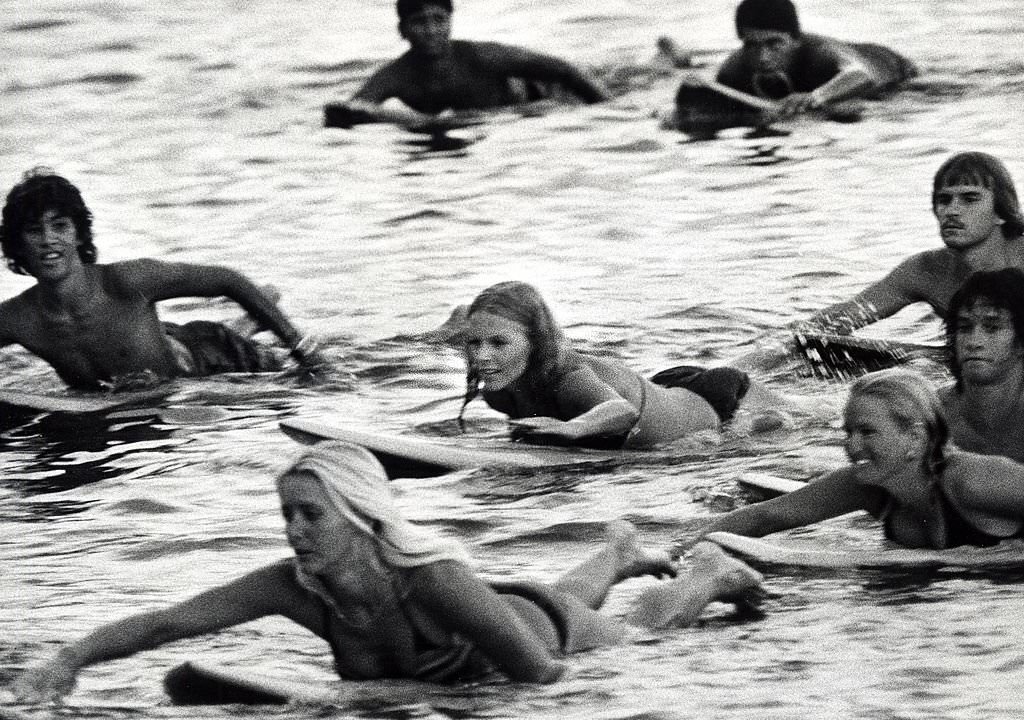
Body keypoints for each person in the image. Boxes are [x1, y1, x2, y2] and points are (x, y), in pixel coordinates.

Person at [13, 441, 764, 702]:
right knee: (569, 595)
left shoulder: (429, 579)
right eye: (288, 514)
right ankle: (620, 551)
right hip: (502, 612)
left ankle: (708, 572)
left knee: (639, 628)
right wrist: (68, 659)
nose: (294, 531)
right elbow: (170, 622)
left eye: (312, 515)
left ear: (361, 516)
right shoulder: (293, 584)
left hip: (543, 637)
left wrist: (388, 696)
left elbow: (543, 683)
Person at [0, 169, 325, 390]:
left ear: (80, 236)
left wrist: (304, 351)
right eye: (33, 230)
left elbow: (227, 280)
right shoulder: (18, 319)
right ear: (17, 246)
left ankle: (251, 321)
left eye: (60, 226)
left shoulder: (126, 282)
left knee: (256, 357)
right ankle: (251, 320)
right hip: (152, 337)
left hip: (209, 358)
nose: (48, 240)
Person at [736, 152, 1024, 372]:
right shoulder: (926, 270)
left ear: (1002, 212)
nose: (952, 210)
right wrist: (774, 349)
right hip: (960, 361)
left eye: (969, 199)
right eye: (944, 200)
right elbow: (843, 319)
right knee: (809, 350)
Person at [689, 368, 1024, 550]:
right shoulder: (867, 484)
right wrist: (679, 554)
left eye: (867, 432)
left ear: (915, 438)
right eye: (847, 432)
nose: (852, 446)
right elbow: (764, 518)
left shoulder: (974, 480)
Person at [457, 281, 789, 449]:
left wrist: (572, 428)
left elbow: (622, 412)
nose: (482, 356)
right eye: (474, 343)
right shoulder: (498, 388)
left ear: (535, 341)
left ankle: (784, 363)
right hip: (667, 390)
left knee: (815, 419)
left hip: (720, 404)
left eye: (498, 343)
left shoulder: (569, 380)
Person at [325, 0, 610, 128]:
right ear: (403, 31)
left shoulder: (482, 56)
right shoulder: (395, 76)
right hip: (470, 120)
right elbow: (351, 110)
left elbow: (563, 70)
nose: (431, 30)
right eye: (419, 22)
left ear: (450, 23)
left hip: (536, 97)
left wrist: (607, 108)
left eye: (439, 20)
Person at [696, 0, 916, 122]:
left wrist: (815, 97)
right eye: (752, 45)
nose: (763, 57)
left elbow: (862, 75)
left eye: (774, 44)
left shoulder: (818, 52)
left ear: (795, 40)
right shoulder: (734, 68)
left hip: (892, 70)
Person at [940, 269, 1024, 462]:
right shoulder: (933, 415)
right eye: (964, 328)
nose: (973, 342)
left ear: (1021, 340)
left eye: (992, 328)